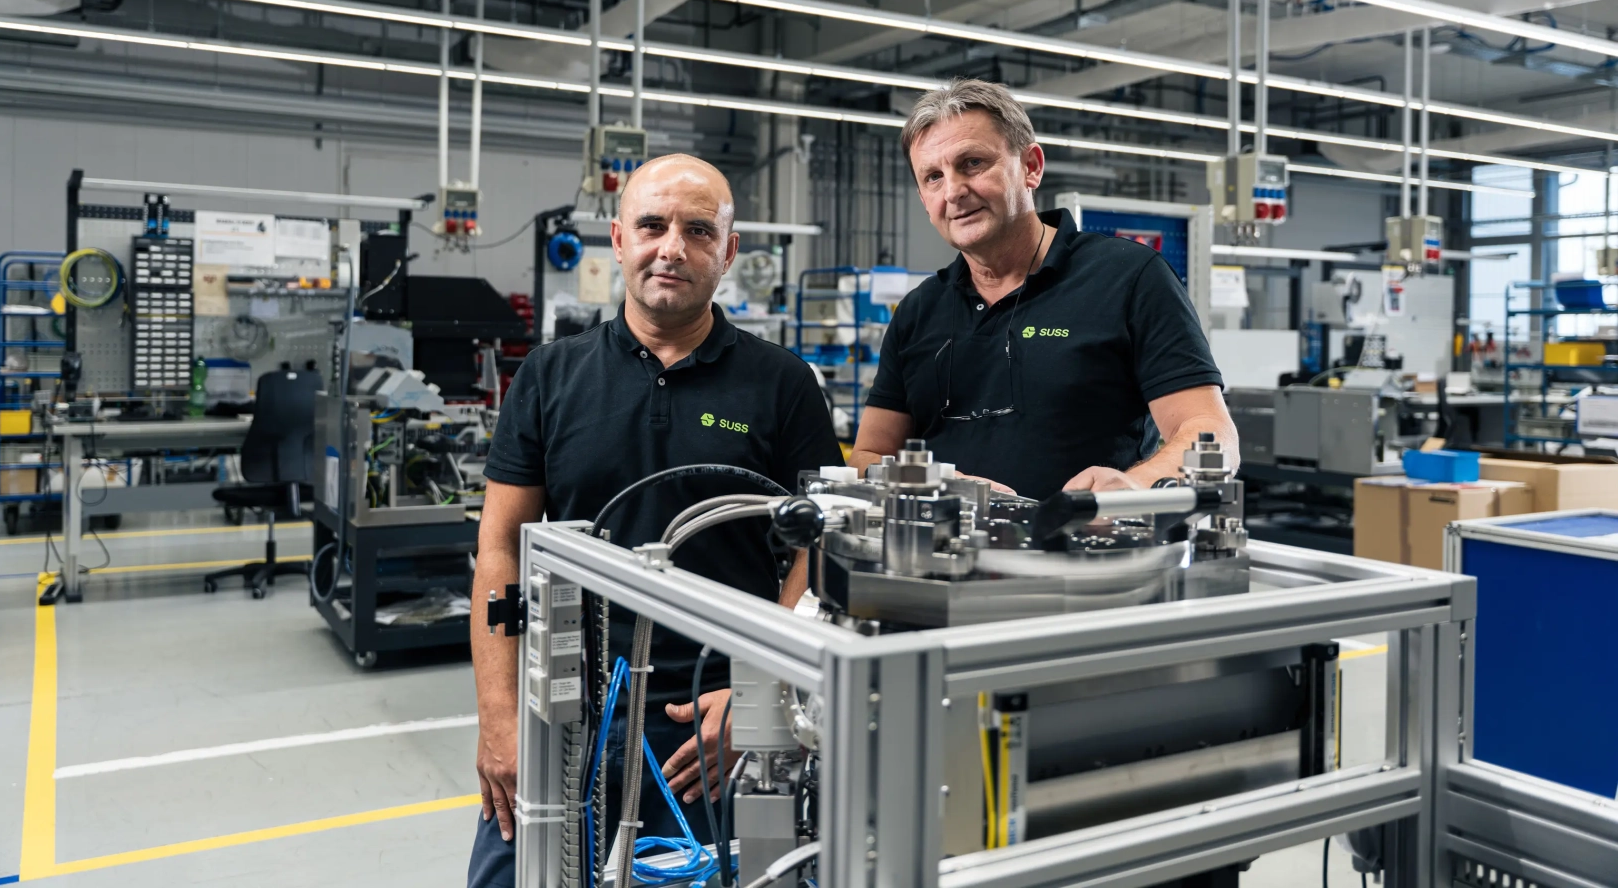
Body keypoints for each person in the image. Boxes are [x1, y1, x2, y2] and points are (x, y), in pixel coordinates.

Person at [468, 155, 842, 888]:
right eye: (652, 224)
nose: (671, 246)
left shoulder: (784, 384)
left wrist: (761, 696)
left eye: (698, 230)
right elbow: (500, 552)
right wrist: (499, 717)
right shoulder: (550, 376)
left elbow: (818, 545)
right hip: (563, 710)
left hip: (710, 726)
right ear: (618, 238)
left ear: (728, 251)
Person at [852, 77, 1236, 497]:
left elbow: (1210, 433)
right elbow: (868, 455)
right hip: (942, 556)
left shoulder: (1129, 277)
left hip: (1089, 552)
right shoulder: (918, 311)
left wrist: (1135, 485)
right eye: (932, 178)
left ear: (1031, 167)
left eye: (973, 164)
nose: (954, 192)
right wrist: (941, 484)